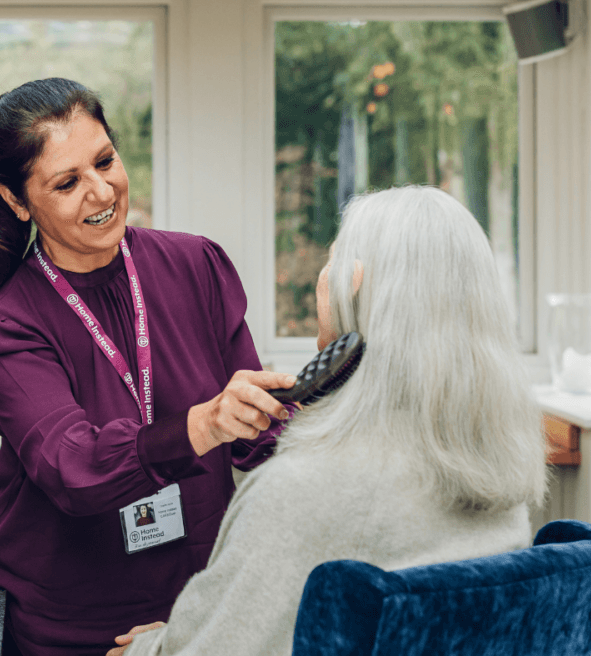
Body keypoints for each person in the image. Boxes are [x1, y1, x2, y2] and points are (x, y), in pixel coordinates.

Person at [0, 78, 297, 656]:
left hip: (196, 613)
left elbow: (262, 438)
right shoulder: (10, 322)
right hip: (73, 628)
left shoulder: (195, 265)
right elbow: (73, 469)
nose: (102, 191)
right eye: (67, 182)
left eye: (105, 161)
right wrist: (205, 424)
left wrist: (314, 404)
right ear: (16, 200)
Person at [111, 185, 548, 656]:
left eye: (331, 259)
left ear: (353, 284)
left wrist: (149, 649)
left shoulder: (301, 490)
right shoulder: (497, 478)